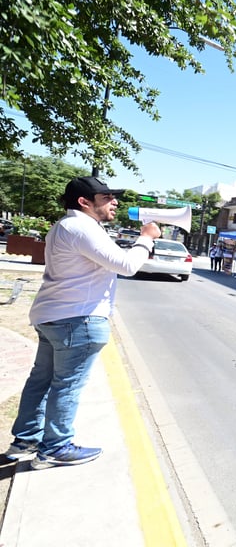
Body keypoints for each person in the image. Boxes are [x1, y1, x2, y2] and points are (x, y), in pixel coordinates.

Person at [5, 177, 161, 469]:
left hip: (55, 315)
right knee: (67, 385)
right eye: (107, 197)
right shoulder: (81, 228)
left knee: (41, 381)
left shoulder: (67, 226)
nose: (114, 202)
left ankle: (26, 440)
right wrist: (147, 238)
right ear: (84, 201)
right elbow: (126, 266)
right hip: (79, 318)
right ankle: (56, 447)